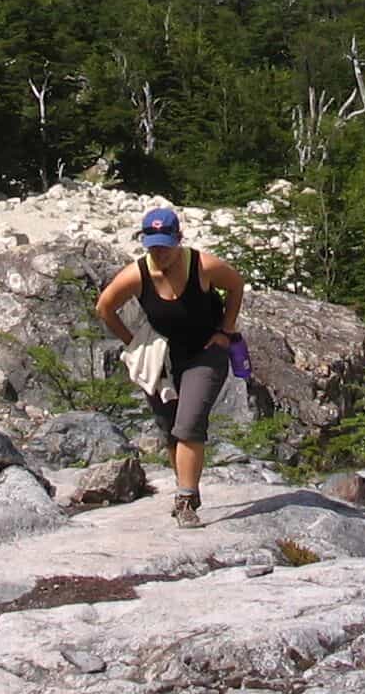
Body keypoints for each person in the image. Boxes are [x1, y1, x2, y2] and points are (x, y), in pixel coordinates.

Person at [95, 205, 245, 529]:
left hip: (206, 352)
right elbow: (105, 307)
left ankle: (186, 500)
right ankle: (186, 487)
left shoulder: (202, 265)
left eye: (166, 244)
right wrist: (132, 342)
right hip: (163, 358)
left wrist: (226, 329)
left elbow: (235, 285)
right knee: (170, 428)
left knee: (189, 424)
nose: (161, 253)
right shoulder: (138, 274)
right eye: (154, 246)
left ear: (179, 239)